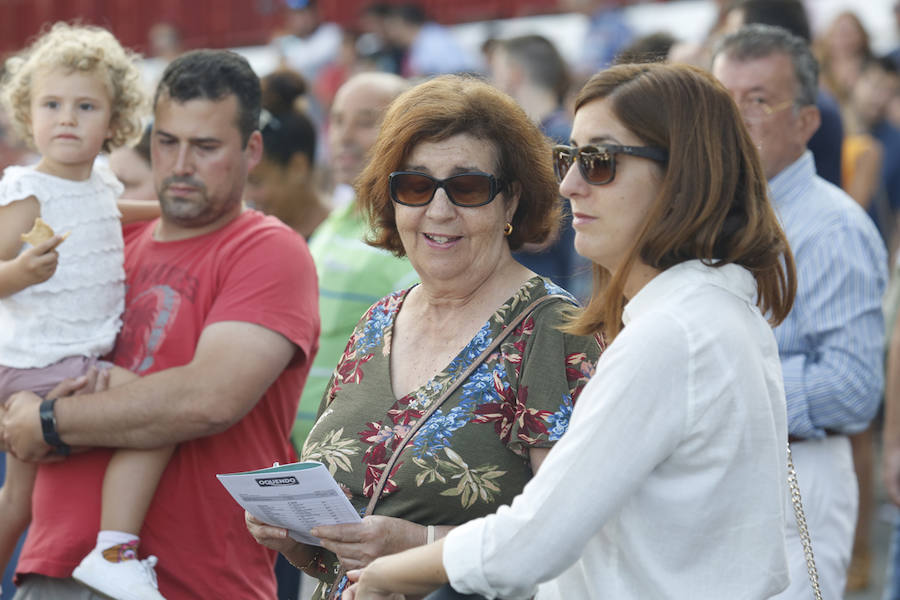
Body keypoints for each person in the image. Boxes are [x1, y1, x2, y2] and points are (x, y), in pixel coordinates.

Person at [341, 60, 797, 600]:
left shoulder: (673, 335)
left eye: (600, 162)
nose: (570, 184)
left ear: (681, 176)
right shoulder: (707, 314)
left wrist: (390, 572)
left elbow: (537, 536)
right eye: (569, 157)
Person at [246, 74, 604, 600]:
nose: (438, 211)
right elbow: (344, 554)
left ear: (511, 203)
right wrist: (296, 538)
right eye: (415, 186)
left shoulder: (552, 331)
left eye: (467, 188)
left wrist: (420, 543)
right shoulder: (377, 323)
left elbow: (572, 539)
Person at [1, 48, 320, 600]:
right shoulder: (101, 237)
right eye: (167, 142)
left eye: (206, 147)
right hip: (52, 569)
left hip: (192, 583)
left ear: (252, 150)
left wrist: (50, 420)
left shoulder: (268, 249)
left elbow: (207, 399)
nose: (181, 164)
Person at [712, 24, 888, 600]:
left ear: (807, 120)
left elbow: (853, 386)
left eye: (757, 101)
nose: (734, 119)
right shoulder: (713, 217)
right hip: (724, 470)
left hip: (798, 474)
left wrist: (716, 389)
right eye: (722, 101)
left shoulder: (831, 228)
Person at [0, 23, 171, 600]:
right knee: (155, 418)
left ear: (116, 118)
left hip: (64, 358)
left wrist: (178, 209)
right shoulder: (25, 191)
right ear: (28, 111)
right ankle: (114, 550)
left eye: (85, 105)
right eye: (51, 104)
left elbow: (112, 214)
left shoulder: (97, 180)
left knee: (18, 500)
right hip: (38, 359)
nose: (67, 118)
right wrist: (20, 273)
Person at [291, 72, 418, 450]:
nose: (343, 136)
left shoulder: (412, 233)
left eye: (365, 122)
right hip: (301, 458)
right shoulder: (340, 215)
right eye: (338, 119)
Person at [489, 34, 591, 301]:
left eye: (495, 71)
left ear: (513, 74)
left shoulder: (552, 142)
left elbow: (540, 236)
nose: (493, 83)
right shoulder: (564, 135)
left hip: (549, 302)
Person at [246, 70, 329, 238]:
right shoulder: (252, 238)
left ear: (297, 167)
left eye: (256, 181)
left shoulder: (346, 236)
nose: (247, 196)